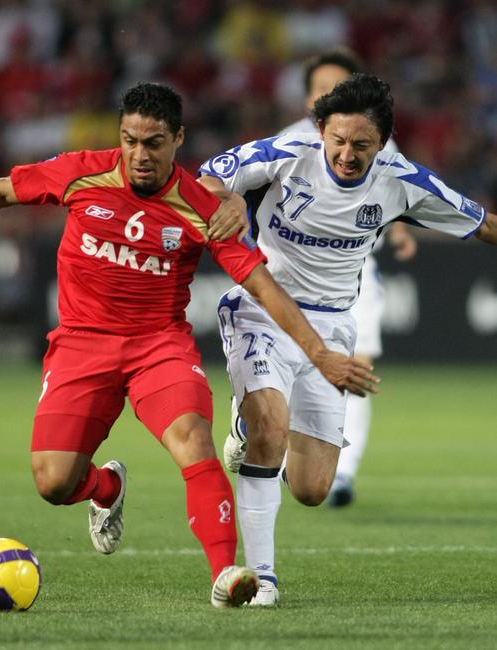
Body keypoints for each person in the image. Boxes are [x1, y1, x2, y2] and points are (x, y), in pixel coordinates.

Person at [0, 82, 376, 608]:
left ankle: (227, 574)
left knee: (194, 439)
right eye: (130, 140)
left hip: (158, 347)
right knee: (52, 483)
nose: (139, 154)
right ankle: (105, 490)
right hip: (80, 345)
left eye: (154, 142)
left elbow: (262, 285)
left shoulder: (202, 207)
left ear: (178, 139)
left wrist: (318, 352)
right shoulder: (82, 170)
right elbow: (3, 190)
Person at [199, 73, 497, 605]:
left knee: (312, 489)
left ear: (382, 143)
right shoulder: (288, 153)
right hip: (263, 309)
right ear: (320, 131)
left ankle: (251, 424)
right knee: (270, 429)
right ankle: (262, 578)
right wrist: (225, 199)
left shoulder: (402, 181)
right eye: (337, 141)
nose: (346, 154)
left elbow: (482, 224)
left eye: (361, 145)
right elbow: (207, 175)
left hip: (333, 326)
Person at [222, 49, 418, 508]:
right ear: (312, 101)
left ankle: (340, 472)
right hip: (286, 278)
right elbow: (241, 188)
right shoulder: (292, 143)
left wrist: (403, 231)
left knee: (356, 366)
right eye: (323, 90)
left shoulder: (376, 139)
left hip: (352, 277)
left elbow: (399, 188)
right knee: (284, 374)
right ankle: (254, 417)